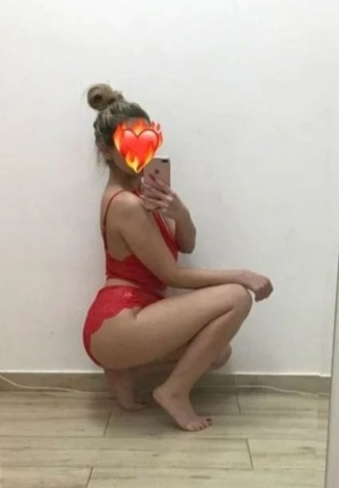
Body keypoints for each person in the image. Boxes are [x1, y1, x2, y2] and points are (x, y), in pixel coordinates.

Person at [82, 84, 274, 431]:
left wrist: (180, 212)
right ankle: (173, 392)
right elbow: (173, 275)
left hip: (130, 318)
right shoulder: (125, 204)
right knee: (237, 297)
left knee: (218, 353)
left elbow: (187, 245)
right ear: (106, 150)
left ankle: (125, 369)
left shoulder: (142, 194)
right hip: (119, 319)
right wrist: (242, 275)